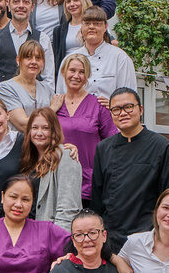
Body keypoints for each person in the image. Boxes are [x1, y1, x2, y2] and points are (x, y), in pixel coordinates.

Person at [92, 87, 169, 252]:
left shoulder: (161, 146)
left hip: (148, 237)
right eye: (116, 109)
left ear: (140, 110)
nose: (122, 113)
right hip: (111, 238)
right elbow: (97, 197)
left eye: (128, 107)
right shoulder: (103, 148)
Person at [50, 53, 118, 206]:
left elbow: (112, 145)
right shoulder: (55, 103)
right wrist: (50, 111)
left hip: (88, 183)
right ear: (63, 72)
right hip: (58, 178)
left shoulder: (98, 105)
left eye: (81, 72)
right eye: (72, 70)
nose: (76, 76)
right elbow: (41, 137)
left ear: (87, 76)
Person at [20, 107, 82, 232]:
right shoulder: (28, 159)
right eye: (35, 128)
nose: (39, 133)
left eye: (45, 128)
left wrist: (56, 239)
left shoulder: (66, 156)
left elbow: (68, 209)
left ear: (54, 131)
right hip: (27, 232)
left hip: (50, 235)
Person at [0, 0, 55, 96]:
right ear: (8, 4)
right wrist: (0, 102)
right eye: (16, 1)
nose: (21, 6)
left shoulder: (43, 38)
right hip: (4, 102)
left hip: (35, 101)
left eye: (26, 2)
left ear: (32, 7)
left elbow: (48, 78)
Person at [56, 6, 136, 101]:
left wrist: (113, 105)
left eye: (96, 23)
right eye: (87, 23)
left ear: (105, 27)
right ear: (81, 26)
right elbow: (60, 96)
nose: (91, 27)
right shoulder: (69, 59)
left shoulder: (120, 58)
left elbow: (129, 97)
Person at [0, 39, 55, 131]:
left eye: (38, 58)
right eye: (28, 57)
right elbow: (21, 124)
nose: (34, 62)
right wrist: (52, 110)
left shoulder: (47, 89)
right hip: (19, 143)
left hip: (45, 143)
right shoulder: (6, 88)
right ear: (18, 60)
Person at [51, 0, 92, 77]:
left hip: (90, 74)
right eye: (68, 1)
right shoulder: (58, 31)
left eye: (76, 0)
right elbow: (55, 60)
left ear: (84, 1)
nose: (72, 4)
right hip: (67, 76)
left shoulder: (93, 27)